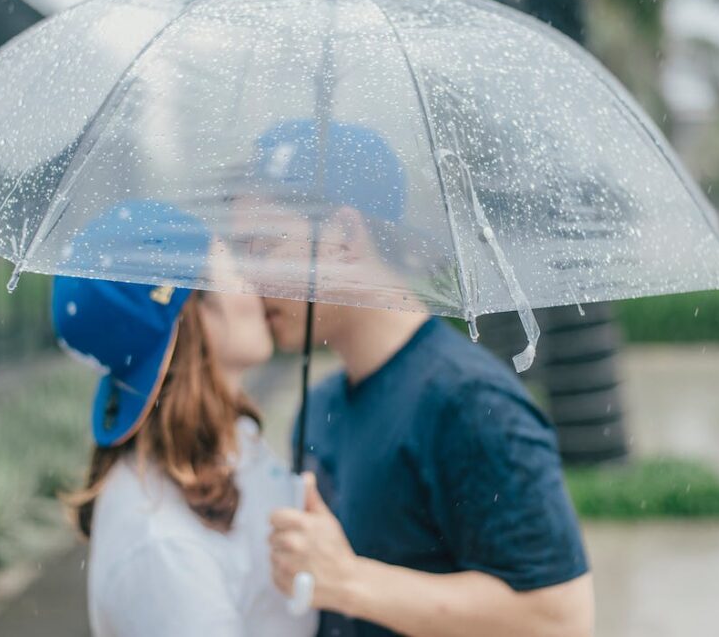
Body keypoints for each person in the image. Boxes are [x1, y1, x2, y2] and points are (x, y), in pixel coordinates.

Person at [250, 121, 596, 637]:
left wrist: (349, 581)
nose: (250, 280)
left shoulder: (469, 403)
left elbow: (560, 618)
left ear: (344, 235)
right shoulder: (318, 408)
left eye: (262, 247)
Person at [51, 201, 317, 637]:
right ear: (193, 317)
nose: (255, 284)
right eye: (234, 267)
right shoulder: (163, 547)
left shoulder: (231, 439)